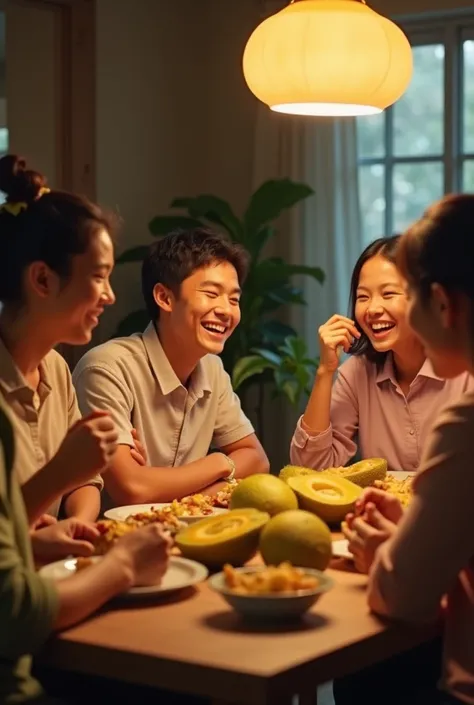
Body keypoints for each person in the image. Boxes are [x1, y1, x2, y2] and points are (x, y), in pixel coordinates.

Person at [341, 194, 474, 705]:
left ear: (443, 303)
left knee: (366, 676)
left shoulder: (465, 423)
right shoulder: (357, 370)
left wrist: (383, 553)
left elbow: (404, 597)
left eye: (408, 296)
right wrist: (412, 533)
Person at [73, 227, 269, 507]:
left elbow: (257, 459)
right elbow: (132, 488)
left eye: (234, 299)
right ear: (164, 298)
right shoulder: (107, 368)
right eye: (211, 294)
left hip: (187, 533)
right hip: (113, 541)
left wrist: (181, 493)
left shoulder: (211, 368)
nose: (226, 310)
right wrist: (220, 463)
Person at [0, 154, 145, 524]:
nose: (110, 295)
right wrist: (63, 470)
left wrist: (77, 528)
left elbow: (85, 483)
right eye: (99, 276)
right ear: (43, 280)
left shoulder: (56, 368)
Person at [0, 394, 170, 705]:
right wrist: (124, 564)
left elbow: (86, 478)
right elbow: (15, 613)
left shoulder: (54, 368)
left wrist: (28, 541)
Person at [290, 234, 473, 472]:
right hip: (384, 509)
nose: (373, 309)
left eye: (388, 294)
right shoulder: (356, 373)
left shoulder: (466, 368)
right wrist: (325, 370)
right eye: (363, 297)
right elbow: (310, 468)